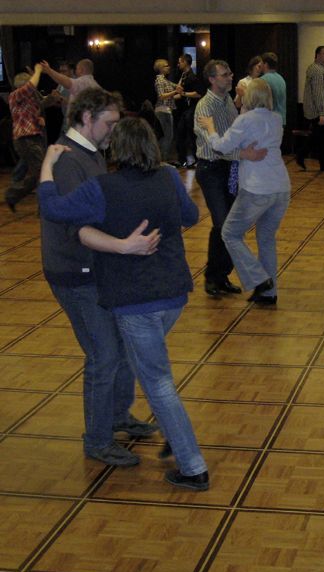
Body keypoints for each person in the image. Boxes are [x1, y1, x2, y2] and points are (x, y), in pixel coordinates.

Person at [38, 117, 210, 491]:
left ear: (118, 149)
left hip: (136, 303)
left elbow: (51, 208)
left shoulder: (103, 188)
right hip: (173, 296)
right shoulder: (168, 177)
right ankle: (169, 430)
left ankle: (193, 465)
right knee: (139, 361)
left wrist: (48, 164)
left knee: (157, 380)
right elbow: (192, 216)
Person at [41, 87, 160, 467]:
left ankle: (117, 416)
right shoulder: (68, 161)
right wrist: (124, 246)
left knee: (120, 347)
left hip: (97, 267)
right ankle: (97, 440)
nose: (114, 131)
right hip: (76, 273)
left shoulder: (89, 153)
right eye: (109, 123)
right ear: (86, 118)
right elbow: (78, 229)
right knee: (103, 355)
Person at [198, 79, 290, 306]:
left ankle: (259, 279)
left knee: (230, 233)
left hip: (257, 189)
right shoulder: (276, 119)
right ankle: (268, 293)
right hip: (281, 188)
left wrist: (210, 128)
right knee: (266, 239)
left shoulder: (245, 120)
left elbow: (220, 146)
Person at [193, 59, 267, 297]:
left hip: (228, 169)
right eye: (224, 74)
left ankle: (220, 276)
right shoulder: (205, 107)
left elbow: (234, 134)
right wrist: (244, 154)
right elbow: (215, 146)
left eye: (229, 73)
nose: (230, 77)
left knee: (230, 225)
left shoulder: (227, 102)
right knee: (223, 223)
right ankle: (213, 277)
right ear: (212, 79)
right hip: (211, 169)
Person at [6, 64, 47, 212]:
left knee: (39, 173)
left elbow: (30, 115)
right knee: (43, 171)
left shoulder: (27, 100)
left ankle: (13, 196)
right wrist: (37, 71)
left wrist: (39, 120)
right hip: (25, 140)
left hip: (32, 139)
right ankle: (44, 207)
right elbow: (31, 87)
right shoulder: (15, 95)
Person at [296, 45, 324, 172]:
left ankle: (323, 163)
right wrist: (322, 113)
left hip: (321, 110)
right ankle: (302, 155)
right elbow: (318, 93)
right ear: (317, 55)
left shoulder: (319, 69)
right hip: (320, 111)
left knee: (319, 137)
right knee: (319, 137)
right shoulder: (318, 70)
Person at [174, 53, 203, 169]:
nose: (178, 64)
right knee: (181, 134)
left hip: (191, 110)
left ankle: (197, 160)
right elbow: (180, 93)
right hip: (184, 110)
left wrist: (183, 93)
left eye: (180, 62)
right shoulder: (183, 76)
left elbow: (198, 93)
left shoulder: (192, 77)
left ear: (185, 62)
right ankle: (182, 160)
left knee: (192, 135)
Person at [153, 58, 179, 161]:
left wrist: (179, 91)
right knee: (168, 136)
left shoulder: (165, 80)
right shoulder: (160, 80)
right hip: (163, 111)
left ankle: (160, 158)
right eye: (166, 66)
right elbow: (162, 96)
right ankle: (161, 159)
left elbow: (176, 89)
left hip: (166, 110)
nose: (168, 67)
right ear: (160, 68)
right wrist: (175, 91)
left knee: (167, 136)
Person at [260, 52, 287, 126]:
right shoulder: (281, 79)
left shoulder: (262, 80)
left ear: (265, 64)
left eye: (261, 63)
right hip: (281, 120)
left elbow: (260, 102)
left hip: (269, 122)